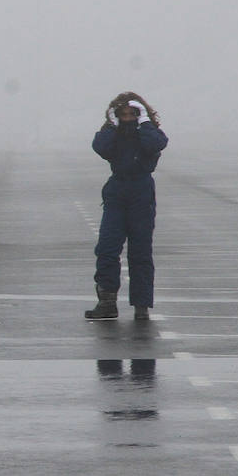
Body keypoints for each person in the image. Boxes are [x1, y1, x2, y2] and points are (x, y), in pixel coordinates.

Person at [85, 92, 168, 321]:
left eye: (133, 114)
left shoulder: (148, 132)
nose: (128, 118)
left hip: (141, 192)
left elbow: (157, 144)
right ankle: (107, 301)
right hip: (117, 191)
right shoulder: (113, 134)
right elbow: (100, 147)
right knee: (107, 248)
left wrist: (144, 122)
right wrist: (112, 123)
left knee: (140, 251)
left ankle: (141, 306)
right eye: (123, 114)